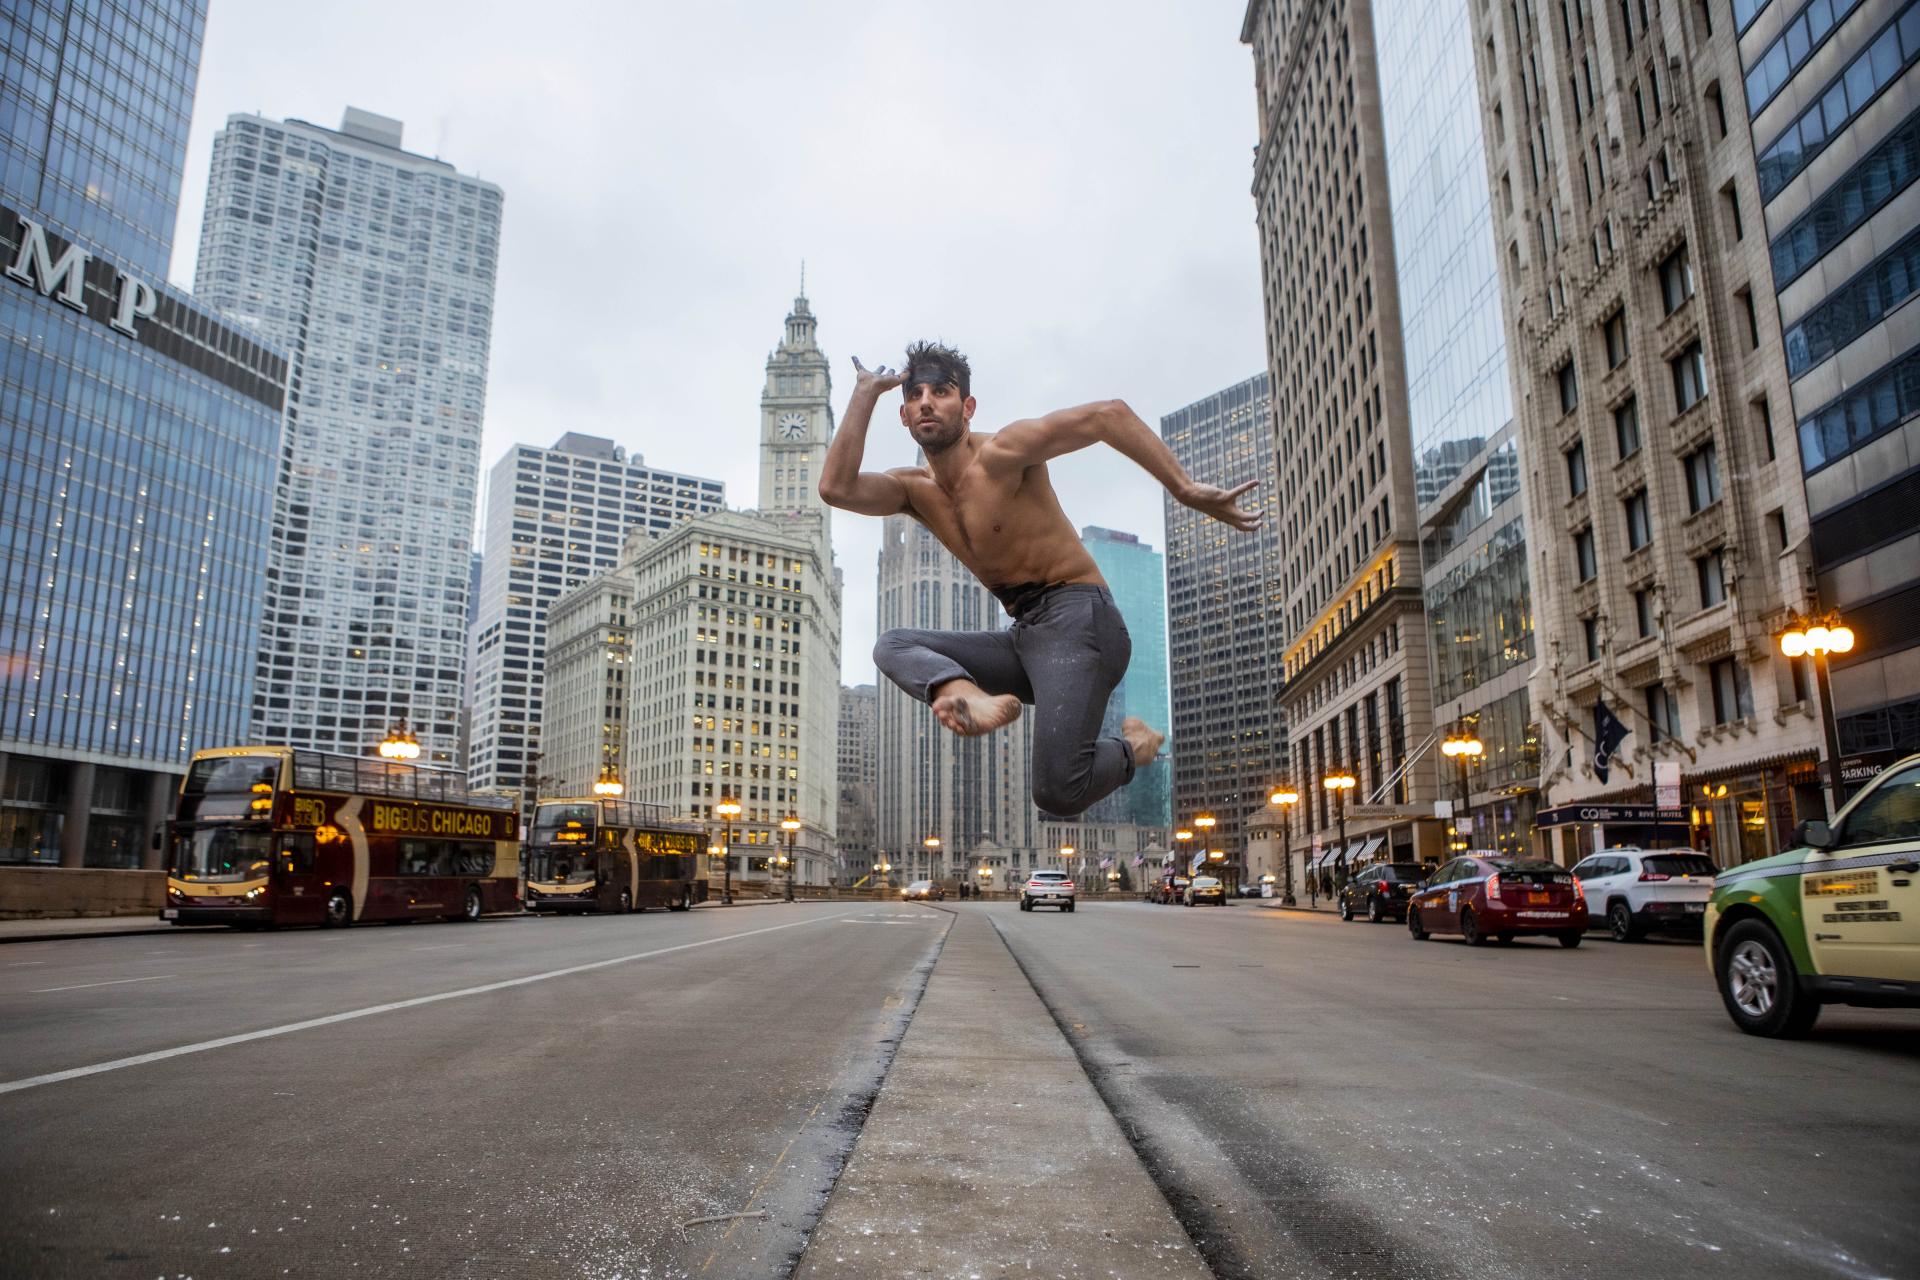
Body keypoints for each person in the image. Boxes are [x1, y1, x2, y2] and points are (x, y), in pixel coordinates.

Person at [819, 341, 1261, 819]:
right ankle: (957, 691)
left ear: (967, 407)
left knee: (1057, 793)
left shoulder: (1003, 453)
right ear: (904, 415)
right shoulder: (912, 490)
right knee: (891, 645)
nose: (926, 401)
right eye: (915, 394)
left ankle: (1137, 745)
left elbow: (1108, 415)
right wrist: (865, 392)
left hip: (1081, 622)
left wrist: (1185, 488)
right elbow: (837, 489)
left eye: (942, 392)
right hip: (1026, 635)